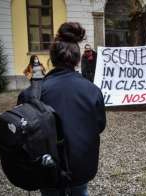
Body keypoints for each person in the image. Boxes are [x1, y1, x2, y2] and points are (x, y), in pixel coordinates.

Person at [19, 22, 106, 196]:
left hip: (45, 167)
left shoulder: (30, 94)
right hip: (81, 168)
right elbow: (100, 125)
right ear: (77, 60)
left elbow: (22, 132)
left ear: (51, 59)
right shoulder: (92, 90)